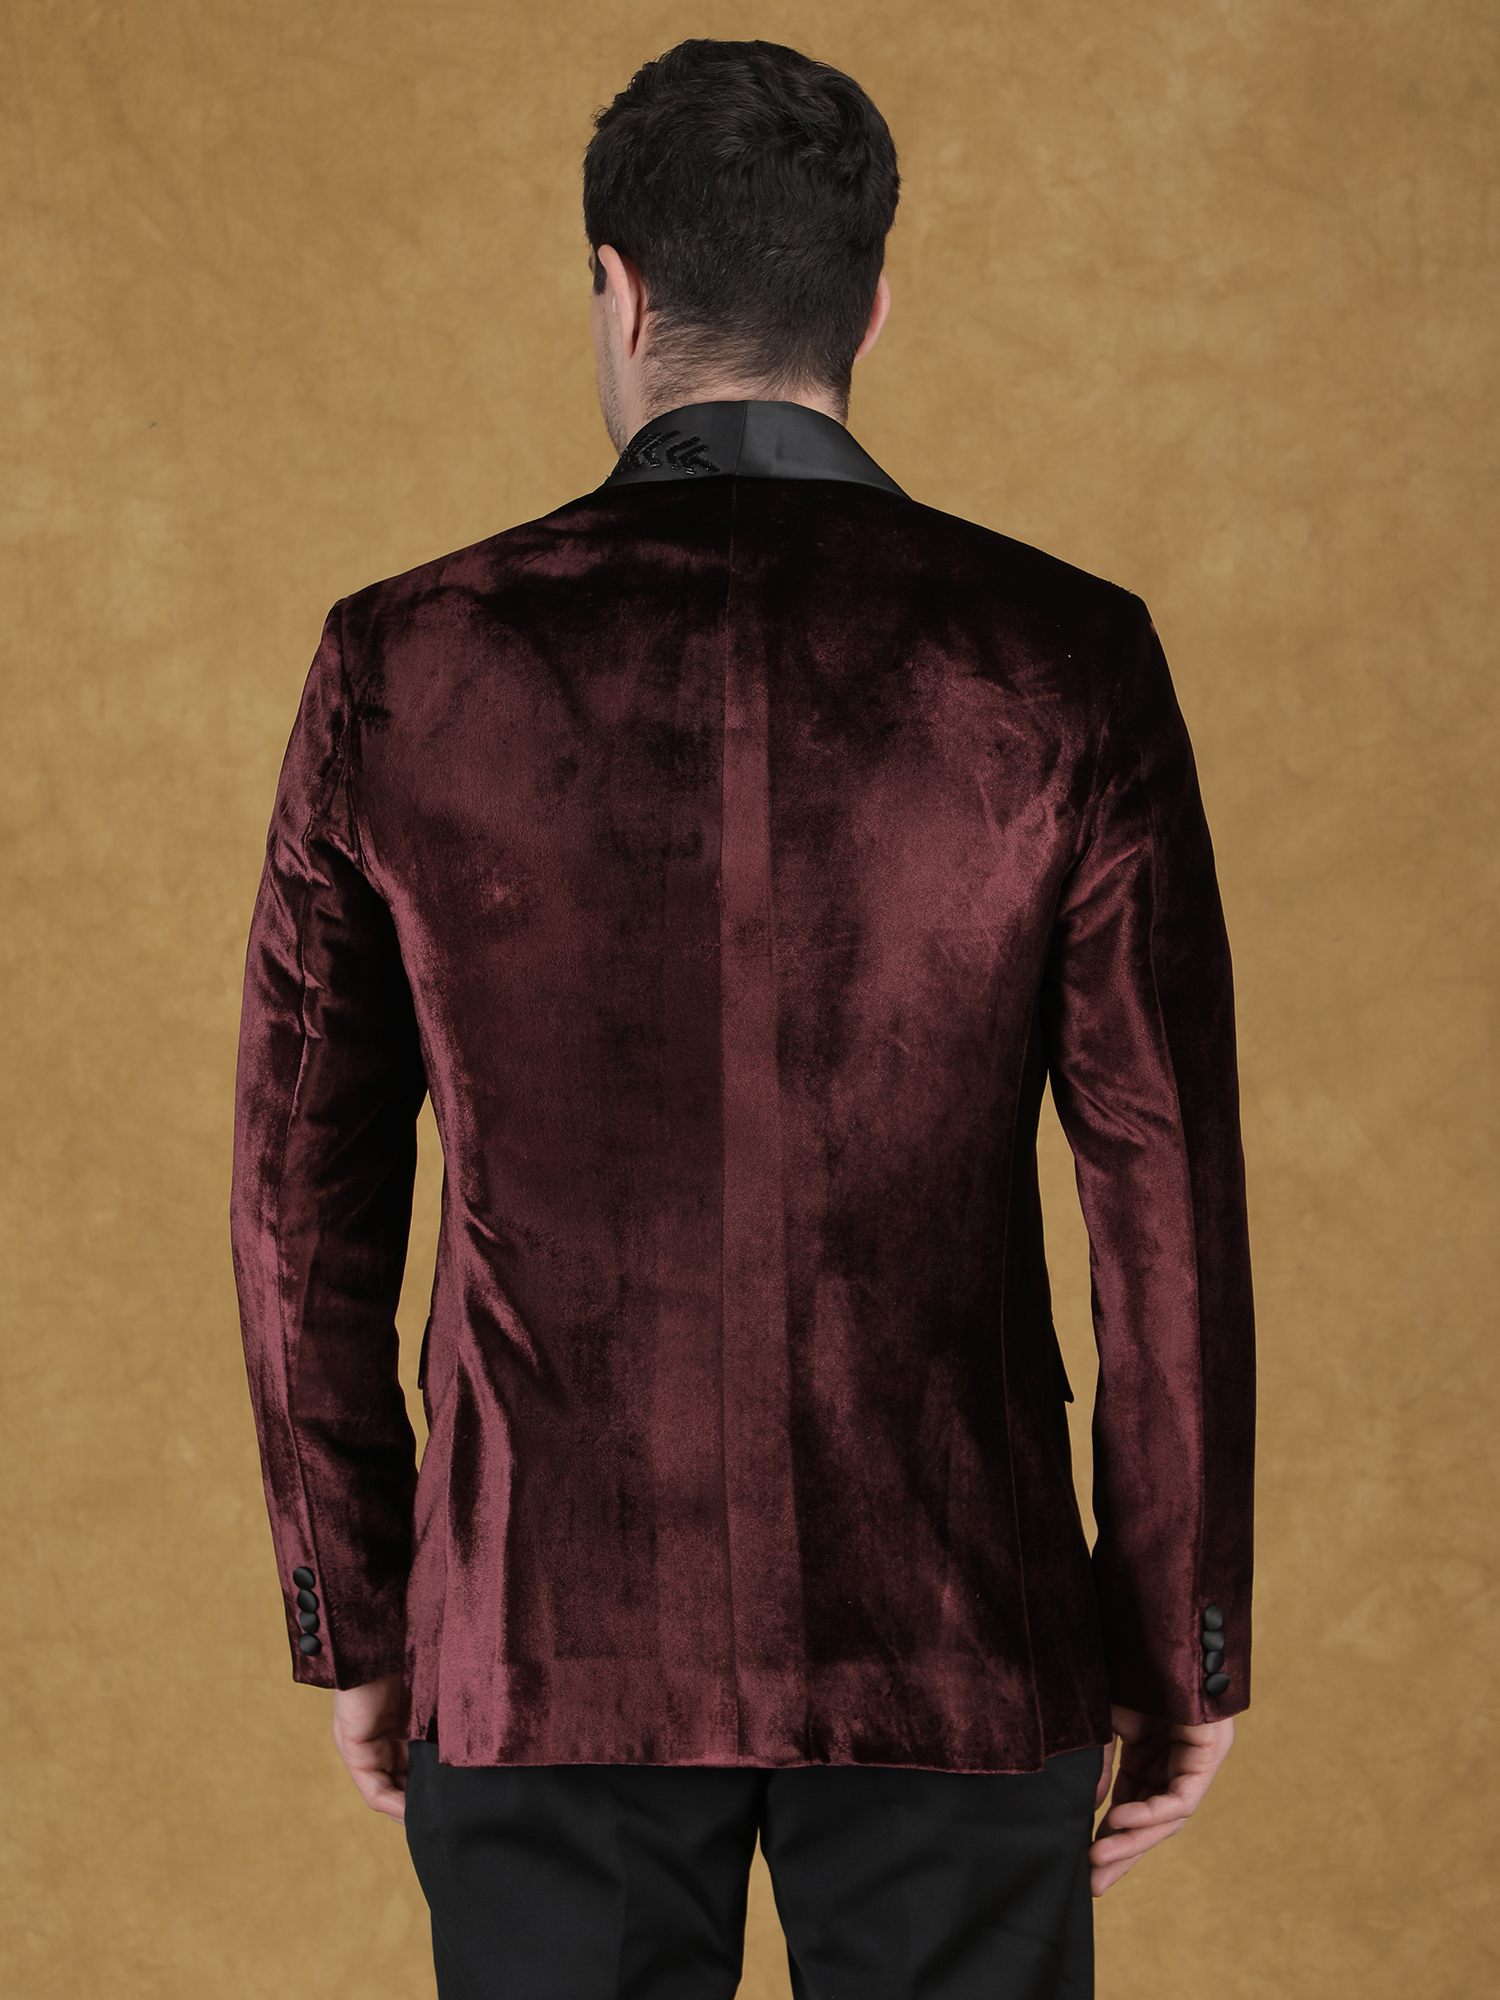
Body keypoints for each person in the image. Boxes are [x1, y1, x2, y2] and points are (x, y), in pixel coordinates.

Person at [230, 37, 1254, 2000]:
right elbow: (1165, 1200)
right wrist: (1179, 1628)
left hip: (542, 1636)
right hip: (961, 1633)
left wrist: (354, 1603)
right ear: (872, 306)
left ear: (618, 291)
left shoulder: (404, 662)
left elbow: (300, 1205)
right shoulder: (1064, 660)